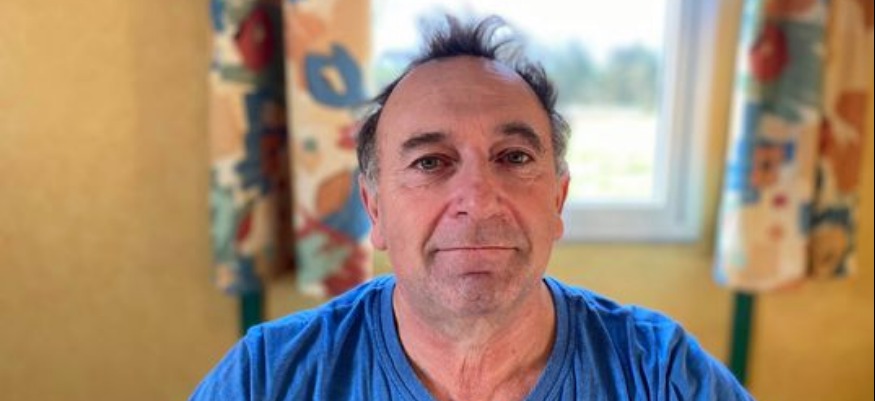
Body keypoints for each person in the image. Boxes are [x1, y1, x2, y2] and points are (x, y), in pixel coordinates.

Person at [190, 15, 754, 401]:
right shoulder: (268, 377)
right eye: (430, 162)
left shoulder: (660, 373)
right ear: (375, 209)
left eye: (514, 157)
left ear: (557, 199)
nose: (479, 200)